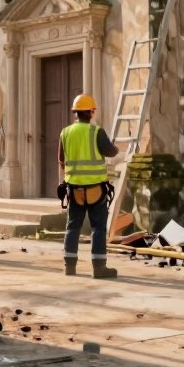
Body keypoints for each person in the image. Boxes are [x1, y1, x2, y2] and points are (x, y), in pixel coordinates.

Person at [58, 93, 119, 279]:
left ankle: (69, 267)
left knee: (72, 227)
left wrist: (68, 178)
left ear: (76, 112)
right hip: (95, 189)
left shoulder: (65, 133)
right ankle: (99, 268)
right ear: (90, 112)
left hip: (74, 189)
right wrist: (114, 146)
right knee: (98, 228)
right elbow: (111, 152)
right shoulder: (96, 132)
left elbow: (61, 160)